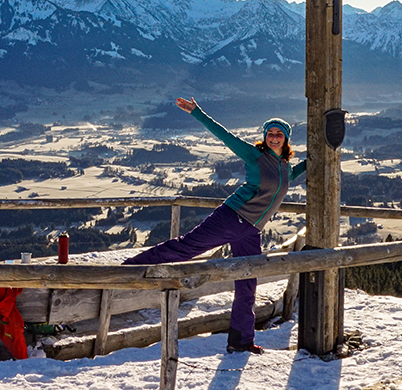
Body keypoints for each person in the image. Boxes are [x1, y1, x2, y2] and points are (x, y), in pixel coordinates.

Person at [125, 97, 307, 354]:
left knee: (247, 285)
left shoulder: (286, 168)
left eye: (279, 134)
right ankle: (129, 269)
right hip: (231, 217)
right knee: (185, 249)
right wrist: (197, 112)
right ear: (265, 136)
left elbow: (299, 171)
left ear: (286, 139)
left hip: (251, 232)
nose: (274, 137)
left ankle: (240, 340)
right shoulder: (254, 155)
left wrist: (327, 149)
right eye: (270, 133)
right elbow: (225, 136)